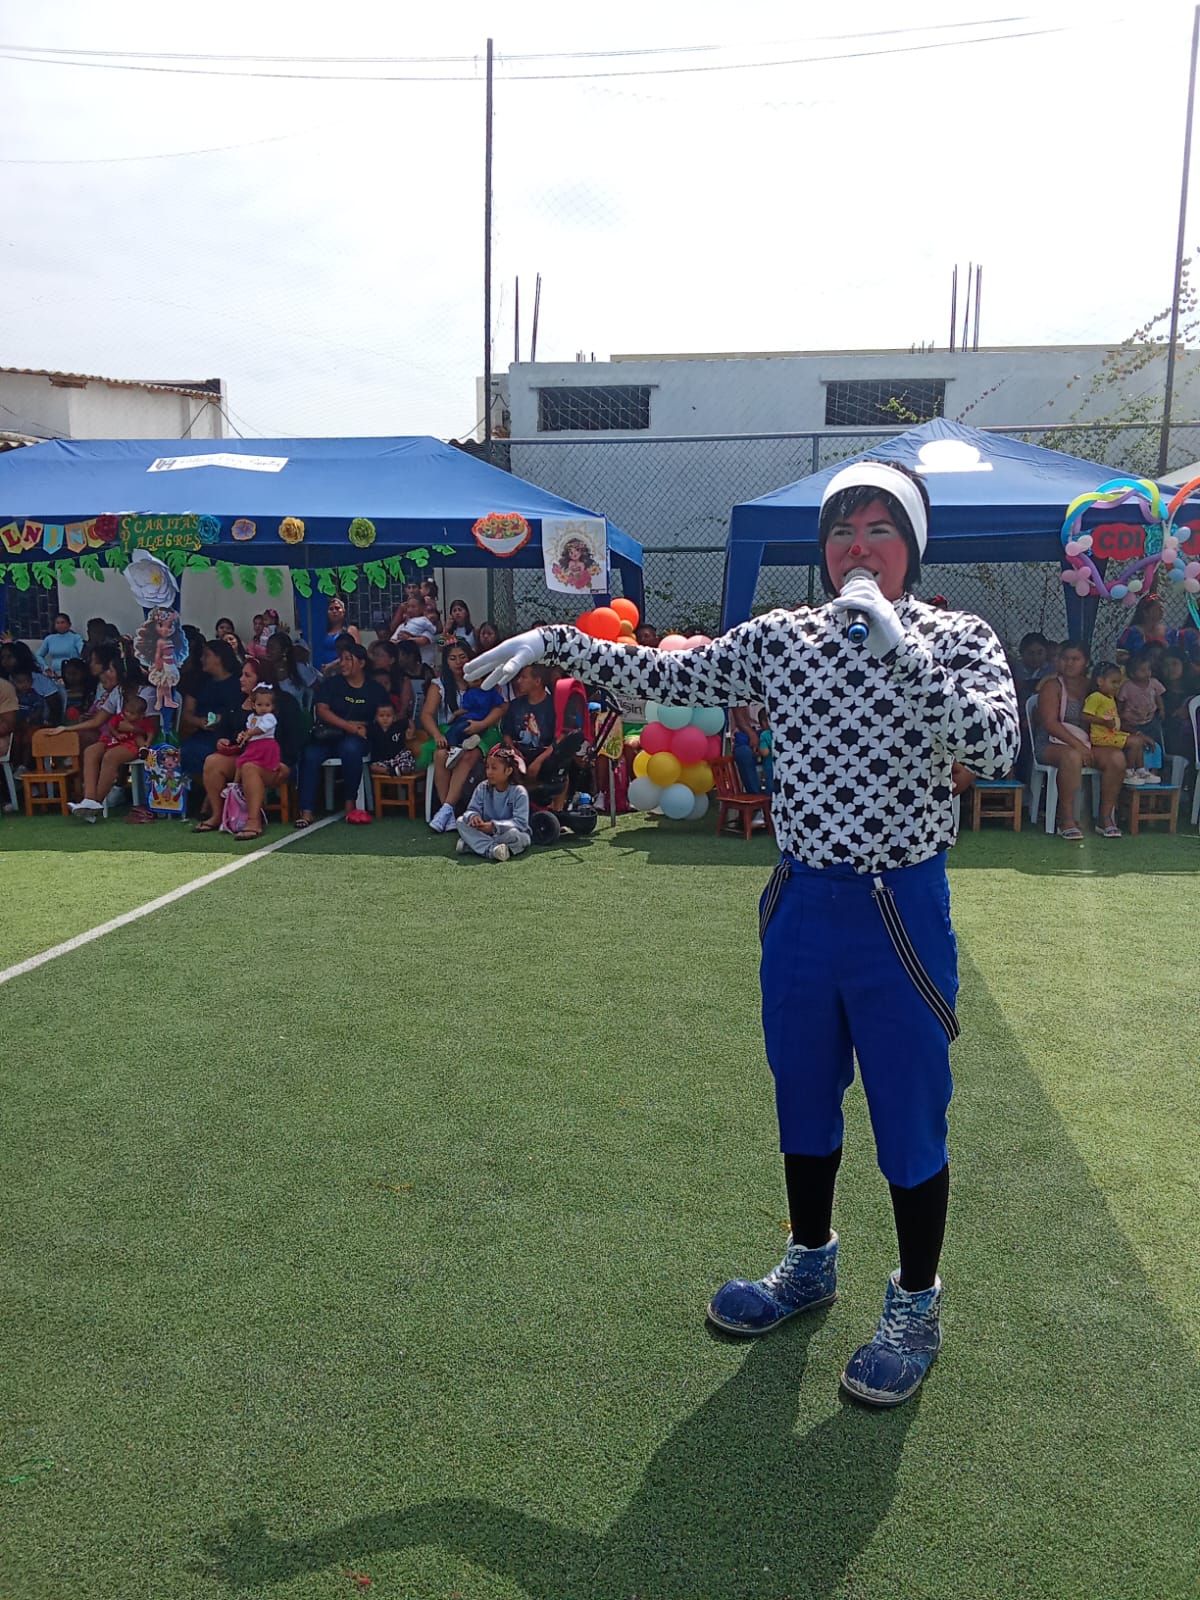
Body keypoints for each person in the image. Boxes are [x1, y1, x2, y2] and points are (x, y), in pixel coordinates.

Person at [468, 457, 1020, 1408]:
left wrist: (902, 652)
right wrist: (557, 640)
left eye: (879, 530)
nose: (857, 547)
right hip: (802, 902)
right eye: (842, 530)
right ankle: (809, 1261)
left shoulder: (958, 637)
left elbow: (996, 746)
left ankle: (915, 1303)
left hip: (898, 910)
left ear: (911, 548)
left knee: (908, 1110)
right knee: (802, 1093)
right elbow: (667, 673)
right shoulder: (782, 638)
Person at [195, 659, 305, 841]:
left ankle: (253, 821)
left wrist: (286, 762)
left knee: (249, 767)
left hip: (273, 761)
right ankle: (218, 815)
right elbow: (224, 728)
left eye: (247, 675)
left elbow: (295, 737)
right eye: (242, 674)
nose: (241, 679)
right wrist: (222, 740)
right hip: (245, 756)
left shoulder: (284, 702)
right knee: (212, 762)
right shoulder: (237, 701)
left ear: (261, 679)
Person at [1035, 642, 1127, 840]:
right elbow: (1050, 723)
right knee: (1072, 757)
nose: (1069, 663)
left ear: (1086, 662)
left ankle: (1105, 818)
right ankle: (1066, 819)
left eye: (1075, 659)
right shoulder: (1052, 686)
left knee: (1117, 758)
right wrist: (1077, 746)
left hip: (1087, 742)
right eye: (1065, 658)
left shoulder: (1094, 686)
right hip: (1052, 743)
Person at [295, 641, 388, 827]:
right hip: (329, 735)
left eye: (348, 659)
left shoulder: (374, 689)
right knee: (310, 755)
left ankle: (350, 802)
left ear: (361, 663)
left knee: (351, 749)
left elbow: (383, 715)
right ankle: (307, 810)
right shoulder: (332, 684)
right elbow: (322, 710)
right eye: (341, 659)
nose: (342, 664)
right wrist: (350, 726)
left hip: (357, 739)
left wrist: (363, 727)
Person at [423, 642, 505, 830]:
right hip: (452, 730)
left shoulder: (484, 679)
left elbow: (500, 707)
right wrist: (437, 735)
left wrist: (481, 725)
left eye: (462, 657)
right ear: (446, 661)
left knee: (470, 754)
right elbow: (426, 715)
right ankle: (448, 812)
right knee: (440, 754)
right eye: (452, 658)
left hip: (483, 730)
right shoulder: (439, 685)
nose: (458, 662)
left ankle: (445, 810)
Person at [68, 683, 153, 818]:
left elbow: (152, 728)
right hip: (114, 739)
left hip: (134, 742)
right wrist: (66, 729)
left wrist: (133, 730)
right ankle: (89, 799)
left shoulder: (148, 694)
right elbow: (104, 723)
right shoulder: (117, 693)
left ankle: (96, 804)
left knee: (110, 756)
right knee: (91, 751)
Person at [1082, 663, 1150, 831]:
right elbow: (1085, 716)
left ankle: (1139, 770)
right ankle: (1130, 771)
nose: (1116, 686)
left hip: (1112, 733)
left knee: (1137, 741)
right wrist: (1103, 722)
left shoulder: (1110, 698)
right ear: (1100, 681)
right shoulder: (1096, 697)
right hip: (1102, 737)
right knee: (1134, 742)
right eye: (1113, 682)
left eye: (1118, 683)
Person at [178, 639, 244, 778]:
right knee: (184, 753)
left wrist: (223, 719)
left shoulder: (239, 683)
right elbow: (187, 713)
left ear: (219, 658)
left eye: (207, 655)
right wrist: (199, 721)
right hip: (202, 734)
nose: (202, 659)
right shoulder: (199, 682)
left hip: (228, 736)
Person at [454, 746, 532, 861]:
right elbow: (471, 810)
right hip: (485, 832)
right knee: (461, 821)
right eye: (487, 768)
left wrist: (494, 827)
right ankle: (493, 850)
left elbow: (521, 823)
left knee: (518, 837)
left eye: (494, 768)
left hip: (506, 833)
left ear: (508, 771)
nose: (489, 772)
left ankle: (472, 846)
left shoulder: (519, 792)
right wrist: (474, 816)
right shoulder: (482, 787)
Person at [500, 664, 558, 785]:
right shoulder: (515, 705)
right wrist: (514, 752)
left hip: (545, 756)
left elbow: (559, 739)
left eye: (524, 677)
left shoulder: (554, 706)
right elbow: (507, 733)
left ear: (537, 681)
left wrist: (539, 761)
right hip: (519, 754)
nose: (519, 681)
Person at [1117, 652, 1165, 774]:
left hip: (1150, 719)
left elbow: (1158, 696)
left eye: (1149, 669)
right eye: (1143, 670)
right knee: (1138, 745)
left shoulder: (1154, 683)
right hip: (1132, 722)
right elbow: (1120, 702)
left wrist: (1162, 709)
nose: (1147, 673)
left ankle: (1154, 771)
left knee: (1156, 745)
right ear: (1132, 673)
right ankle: (1135, 769)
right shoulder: (1127, 687)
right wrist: (1120, 715)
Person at [230, 683, 282, 773]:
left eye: (267, 705)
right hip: (253, 745)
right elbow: (249, 730)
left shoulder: (270, 717)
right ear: (254, 705)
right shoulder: (252, 717)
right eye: (259, 704)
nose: (263, 708)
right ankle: (236, 781)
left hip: (266, 745)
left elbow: (261, 730)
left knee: (256, 766)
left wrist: (249, 733)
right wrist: (243, 737)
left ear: (273, 706)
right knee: (240, 761)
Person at [1161, 647, 1197, 758]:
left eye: (1174, 664)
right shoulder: (1159, 693)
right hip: (1174, 739)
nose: (1170, 668)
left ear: (1183, 665)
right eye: (1166, 665)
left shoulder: (1195, 688)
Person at [313, 598, 361, 674]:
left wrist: (331, 665)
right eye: (331, 609)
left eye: (337, 608)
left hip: (341, 671)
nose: (334, 611)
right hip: (320, 672)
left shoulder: (350, 630)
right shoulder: (321, 632)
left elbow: (356, 652)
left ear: (344, 611)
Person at [390, 597, 438, 669]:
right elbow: (392, 641)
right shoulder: (403, 625)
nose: (410, 610)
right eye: (408, 607)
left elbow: (424, 641)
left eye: (413, 607)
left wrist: (407, 639)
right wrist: (398, 642)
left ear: (422, 608)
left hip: (425, 666)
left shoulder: (425, 624)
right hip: (405, 666)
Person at [1116, 595, 1168, 660]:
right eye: (1157, 608)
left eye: (1162, 607)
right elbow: (1120, 657)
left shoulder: (1166, 632)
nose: (1161, 611)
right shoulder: (1132, 632)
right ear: (1145, 612)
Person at [369, 701, 414, 775]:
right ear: (376, 718)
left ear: (394, 717)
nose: (385, 718)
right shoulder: (373, 729)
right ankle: (389, 771)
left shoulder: (398, 725)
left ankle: (401, 770)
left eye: (388, 715)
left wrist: (411, 733)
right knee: (372, 767)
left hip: (398, 756)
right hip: (382, 760)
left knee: (407, 757)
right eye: (381, 716)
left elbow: (409, 721)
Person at [37, 612, 84, 680]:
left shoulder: (76, 638)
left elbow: (82, 652)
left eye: (62, 622)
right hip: (55, 675)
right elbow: (38, 655)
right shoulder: (49, 639)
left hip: (72, 675)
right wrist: (45, 667)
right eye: (57, 623)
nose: (60, 625)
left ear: (69, 624)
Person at [60, 656, 94, 724]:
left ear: (83, 673)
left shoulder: (88, 692)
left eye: (75, 674)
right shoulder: (62, 691)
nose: (71, 677)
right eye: (68, 674)